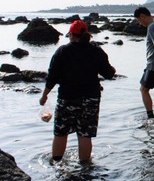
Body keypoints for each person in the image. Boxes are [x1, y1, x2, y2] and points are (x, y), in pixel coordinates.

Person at [39, 20, 116, 164]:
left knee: (60, 133)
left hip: (67, 98)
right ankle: (85, 167)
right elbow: (109, 73)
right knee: (85, 135)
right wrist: (112, 70)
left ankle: (57, 164)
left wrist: (44, 95)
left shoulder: (62, 51)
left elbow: (52, 76)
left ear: (72, 35)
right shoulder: (96, 51)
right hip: (90, 98)